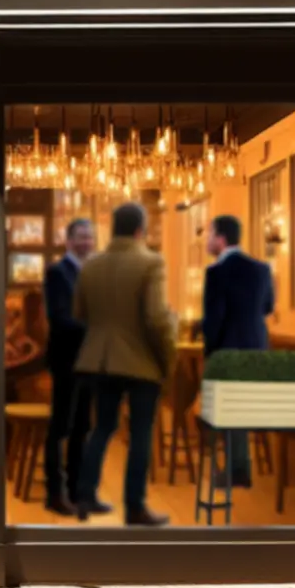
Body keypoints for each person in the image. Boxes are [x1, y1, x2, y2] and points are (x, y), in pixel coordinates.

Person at [73, 203, 176, 527]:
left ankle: (85, 495)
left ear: (112, 229)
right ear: (139, 230)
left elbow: (80, 313)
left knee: (103, 427)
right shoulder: (151, 262)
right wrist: (167, 358)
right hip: (140, 360)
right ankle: (134, 506)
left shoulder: (91, 266)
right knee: (141, 432)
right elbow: (156, 318)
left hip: (100, 360)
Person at [202, 214, 275, 489]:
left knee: (228, 409)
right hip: (258, 348)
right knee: (241, 407)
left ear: (221, 238)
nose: (207, 240)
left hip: (228, 350)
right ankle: (240, 466)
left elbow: (215, 318)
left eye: (209, 234)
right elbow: (267, 307)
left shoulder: (216, 272)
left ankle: (237, 469)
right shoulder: (261, 269)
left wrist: (210, 354)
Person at [42, 219, 96, 516]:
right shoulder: (57, 272)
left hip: (88, 361)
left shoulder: (92, 273)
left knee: (82, 428)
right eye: (81, 237)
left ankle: (77, 492)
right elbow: (59, 317)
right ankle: (54, 493)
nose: (86, 242)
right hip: (65, 360)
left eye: (90, 237)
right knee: (61, 427)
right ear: (69, 241)